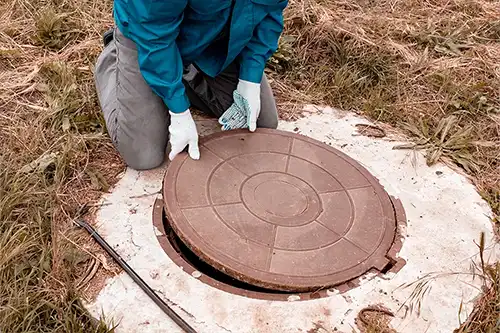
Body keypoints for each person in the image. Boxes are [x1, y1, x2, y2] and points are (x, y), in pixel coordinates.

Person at [94, 0, 288, 170]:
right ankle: (115, 56)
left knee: (263, 122)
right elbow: (153, 34)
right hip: (147, 34)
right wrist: (178, 110)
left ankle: (183, 72)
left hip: (213, 37)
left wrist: (250, 78)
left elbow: (270, 11)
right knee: (144, 154)